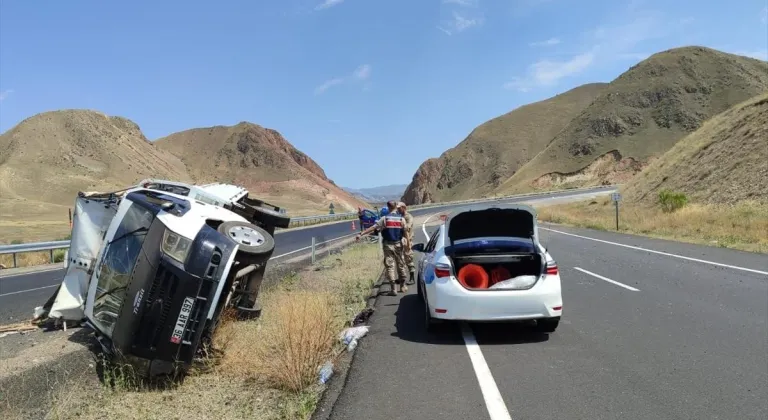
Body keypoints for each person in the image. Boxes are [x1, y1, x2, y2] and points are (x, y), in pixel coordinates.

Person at [357, 200, 409, 296]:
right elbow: (406, 233)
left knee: (390, 266)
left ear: (388, 207)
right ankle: (403, 286)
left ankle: (393, 289)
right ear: (395, 207)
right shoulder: (401, 219)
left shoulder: (384, 219)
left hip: (388, 245)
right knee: (401, 264)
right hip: (398, 244)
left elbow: (373, 227)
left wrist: (361, 233)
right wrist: (408, 245)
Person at [397, 202, 416, 285]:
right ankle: (401, 278)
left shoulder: (408, 217)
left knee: (408, 259)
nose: (398, 210)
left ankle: (412, 278)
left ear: (403, 208)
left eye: (399, 208)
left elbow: (407, 227)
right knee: (400, 260)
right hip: (400, 240)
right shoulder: (400, 217)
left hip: (407, 240)